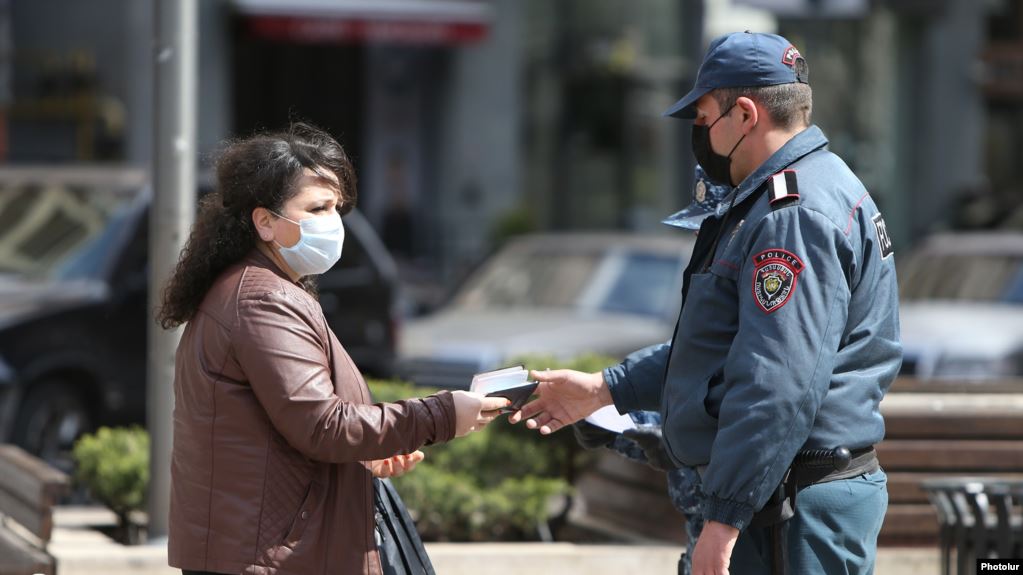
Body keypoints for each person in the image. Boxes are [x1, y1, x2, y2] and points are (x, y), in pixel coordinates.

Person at [511, 31, 901, 575]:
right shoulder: (802, 191)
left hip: (790, 507)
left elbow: (776, 381)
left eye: (703, 118)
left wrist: (724, 518)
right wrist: (606, 388)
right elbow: (724, 348)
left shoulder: (792, 214)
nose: (699, 134)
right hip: (784, 494)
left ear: (744, 114)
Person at [157, 123, 508, 575]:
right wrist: (442, 414)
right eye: (317, 208)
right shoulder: (264, 298)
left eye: (336, 208)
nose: (333, 223)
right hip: (268, 558)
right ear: (265, 221)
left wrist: (362, 454)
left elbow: (291, 427)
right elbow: (323, 425)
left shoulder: (259, 288)